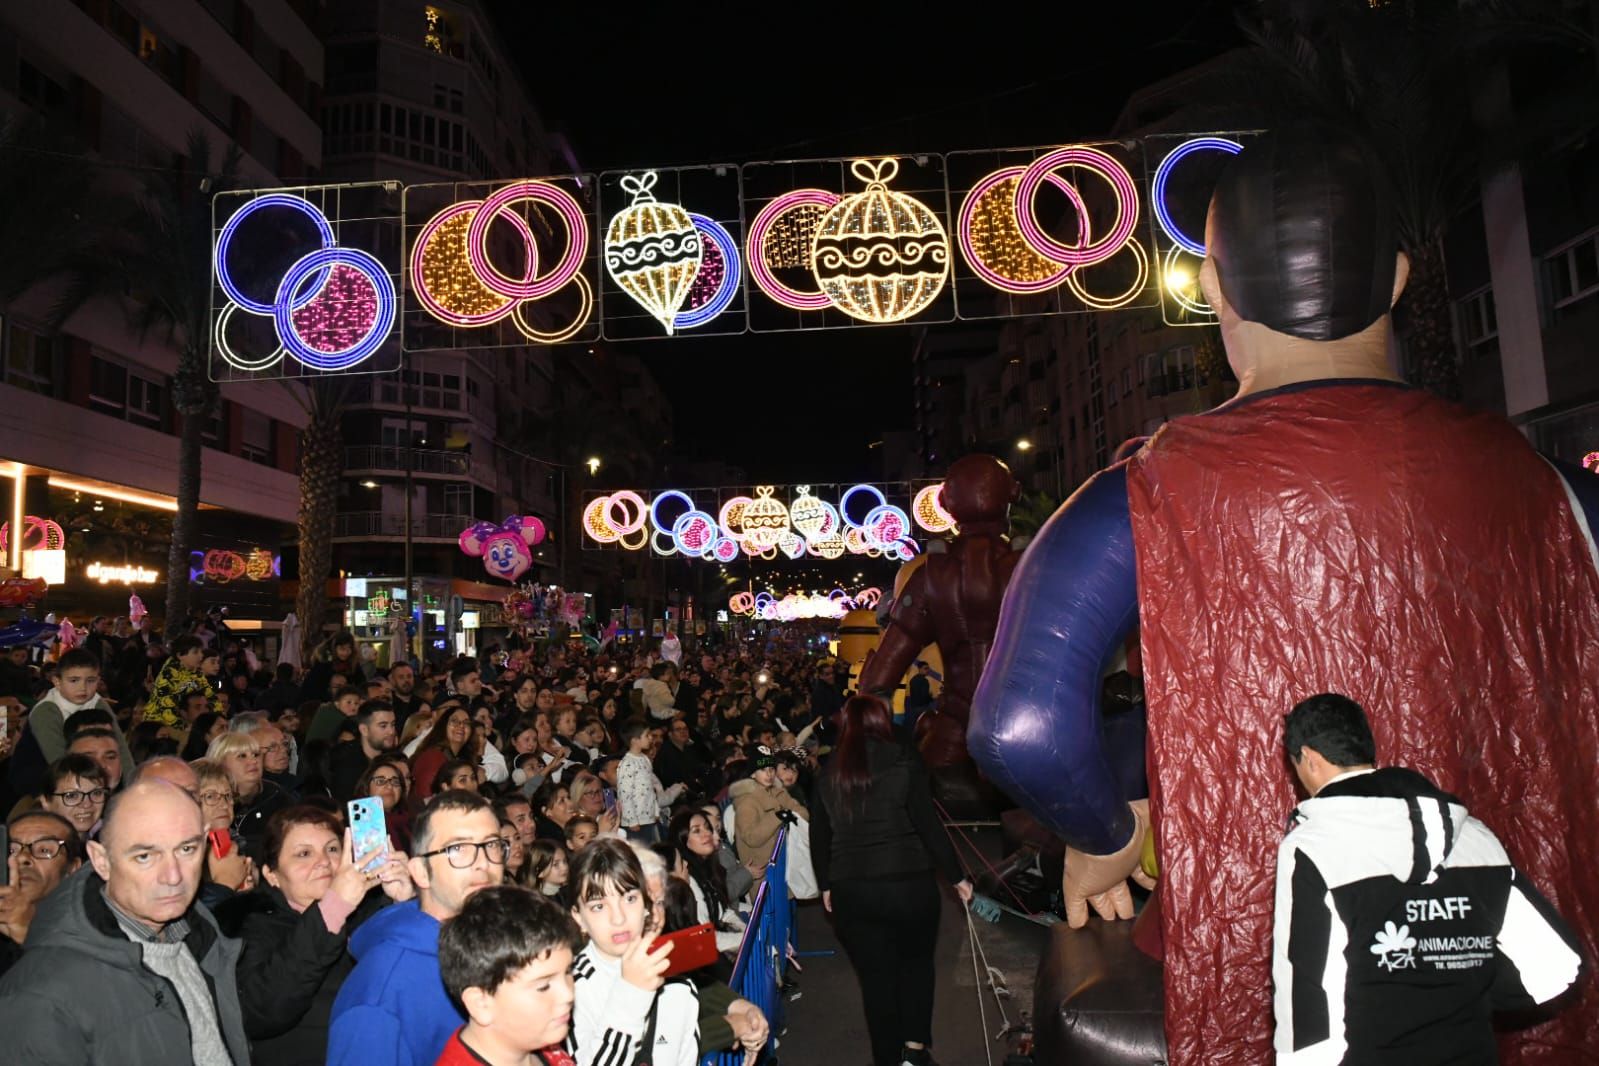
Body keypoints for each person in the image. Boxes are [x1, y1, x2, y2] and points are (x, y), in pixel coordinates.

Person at [968, 124, 1599, 1064]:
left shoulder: (1139, 492)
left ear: (1216, 291)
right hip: (1508, 966)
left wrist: (1101, 830)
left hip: (1253, 963)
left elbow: (1019, 726)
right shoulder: (1554, 487)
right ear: (1394, 280)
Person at [1273, 694, 1582, 1063]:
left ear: (1309, 758)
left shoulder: (1312, 847)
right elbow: (1557, 966)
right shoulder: (1476, 836)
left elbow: (1306, 1006)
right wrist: (1464, 979)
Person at [0, 779, 250, 1064]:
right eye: (144, 856)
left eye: (186, 850)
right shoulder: (39, 992)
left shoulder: (198, 933)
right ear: (101, 860)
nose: (173, 876)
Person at [812, 695, 972, 1066]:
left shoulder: (830, 771)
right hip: (909, 885)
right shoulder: (903, 762)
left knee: (876, 980)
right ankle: (914, 1054)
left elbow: (819, 837)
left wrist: (826, 886)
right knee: (916, 966)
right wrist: (956, 876)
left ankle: (886, 1058)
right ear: (883, 722)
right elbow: (928, 824)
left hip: (853, 889)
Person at [215, 805, 414, 1066]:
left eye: (332, 849)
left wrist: (406, 907)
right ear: (271, 875)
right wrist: (333, 908)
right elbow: (261, 1011)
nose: (323, 861)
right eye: (304, 853)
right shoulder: (250, 927)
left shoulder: (373, 912)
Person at [328, 790, 508, 1066]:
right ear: (420, 872)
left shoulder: (509, 946)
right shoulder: (379, 994)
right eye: (457, 849)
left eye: (492, 845)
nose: (483, 863)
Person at [566, 839, 694, 1066]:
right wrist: (632, 994)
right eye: (598, 906)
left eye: (630, 899)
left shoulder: (679, 985)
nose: (619, 918)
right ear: (578, 918)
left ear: (647, 905)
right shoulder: (570, 990)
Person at [434, 885, 582, 1066]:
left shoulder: (538, 1042)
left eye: (568, 972)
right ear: (481, 1003)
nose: (568, 995)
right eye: (543, 986)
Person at [5, 648, 135, 801]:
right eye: (74, 680)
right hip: (38, 776)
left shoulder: (97, 702)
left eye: (91, 681)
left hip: (84, 771)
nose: (83, 688)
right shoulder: (46, 711)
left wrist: (135, 789)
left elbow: (121, 748)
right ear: (57, 682)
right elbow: (59, 760)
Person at [0, 810, 83, 976]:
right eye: (12, 850)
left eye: (44, 850)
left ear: (72, 868)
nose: (23, 858)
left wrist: (27, 933)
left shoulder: (93, 927)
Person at [667, 807, 745, 953]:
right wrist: (747, 938)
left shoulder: (709, 868)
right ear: (683, 840)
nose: (707, 834)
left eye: (707, 827)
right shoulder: (689, 880)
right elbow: (705, 937)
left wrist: (744, 929)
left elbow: (723, 911)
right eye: (696, 831)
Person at [728, 746, 806, 878]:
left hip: (787, 865)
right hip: (764, 872)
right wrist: (776, 817)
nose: (769, 774)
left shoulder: (779, 792)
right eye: (763, 770)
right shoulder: (747, 801)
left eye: (771, 769)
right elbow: (751, 837)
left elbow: (802, 812)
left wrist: (791, 814)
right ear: (753, 774)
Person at [411, 704, 481, 810]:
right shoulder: (433, 757)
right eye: (454, 721)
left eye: (466, 723)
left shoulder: (462, 757)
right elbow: (427, 800)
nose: (461, 725)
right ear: (443, 726)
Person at [330, 700, 398, 803]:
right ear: (364, 730)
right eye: (383, 726)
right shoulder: (345, 763)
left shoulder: (394, 758)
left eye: (393, 725)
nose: (391, 731)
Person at [143, 635, 210, 731]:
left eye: (201, 651)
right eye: (196, 652)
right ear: (180, 655)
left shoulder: (195, 671)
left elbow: (209, 695)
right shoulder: (169, 674)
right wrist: (185, 727)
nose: (201, 655)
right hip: (158, 725)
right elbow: (165, 708)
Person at [37, 753, 109, 838]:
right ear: (46, 802)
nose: (87, 804)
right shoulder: (35, 846)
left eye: (96, 793)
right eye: (72, 796)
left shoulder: (111, 836)